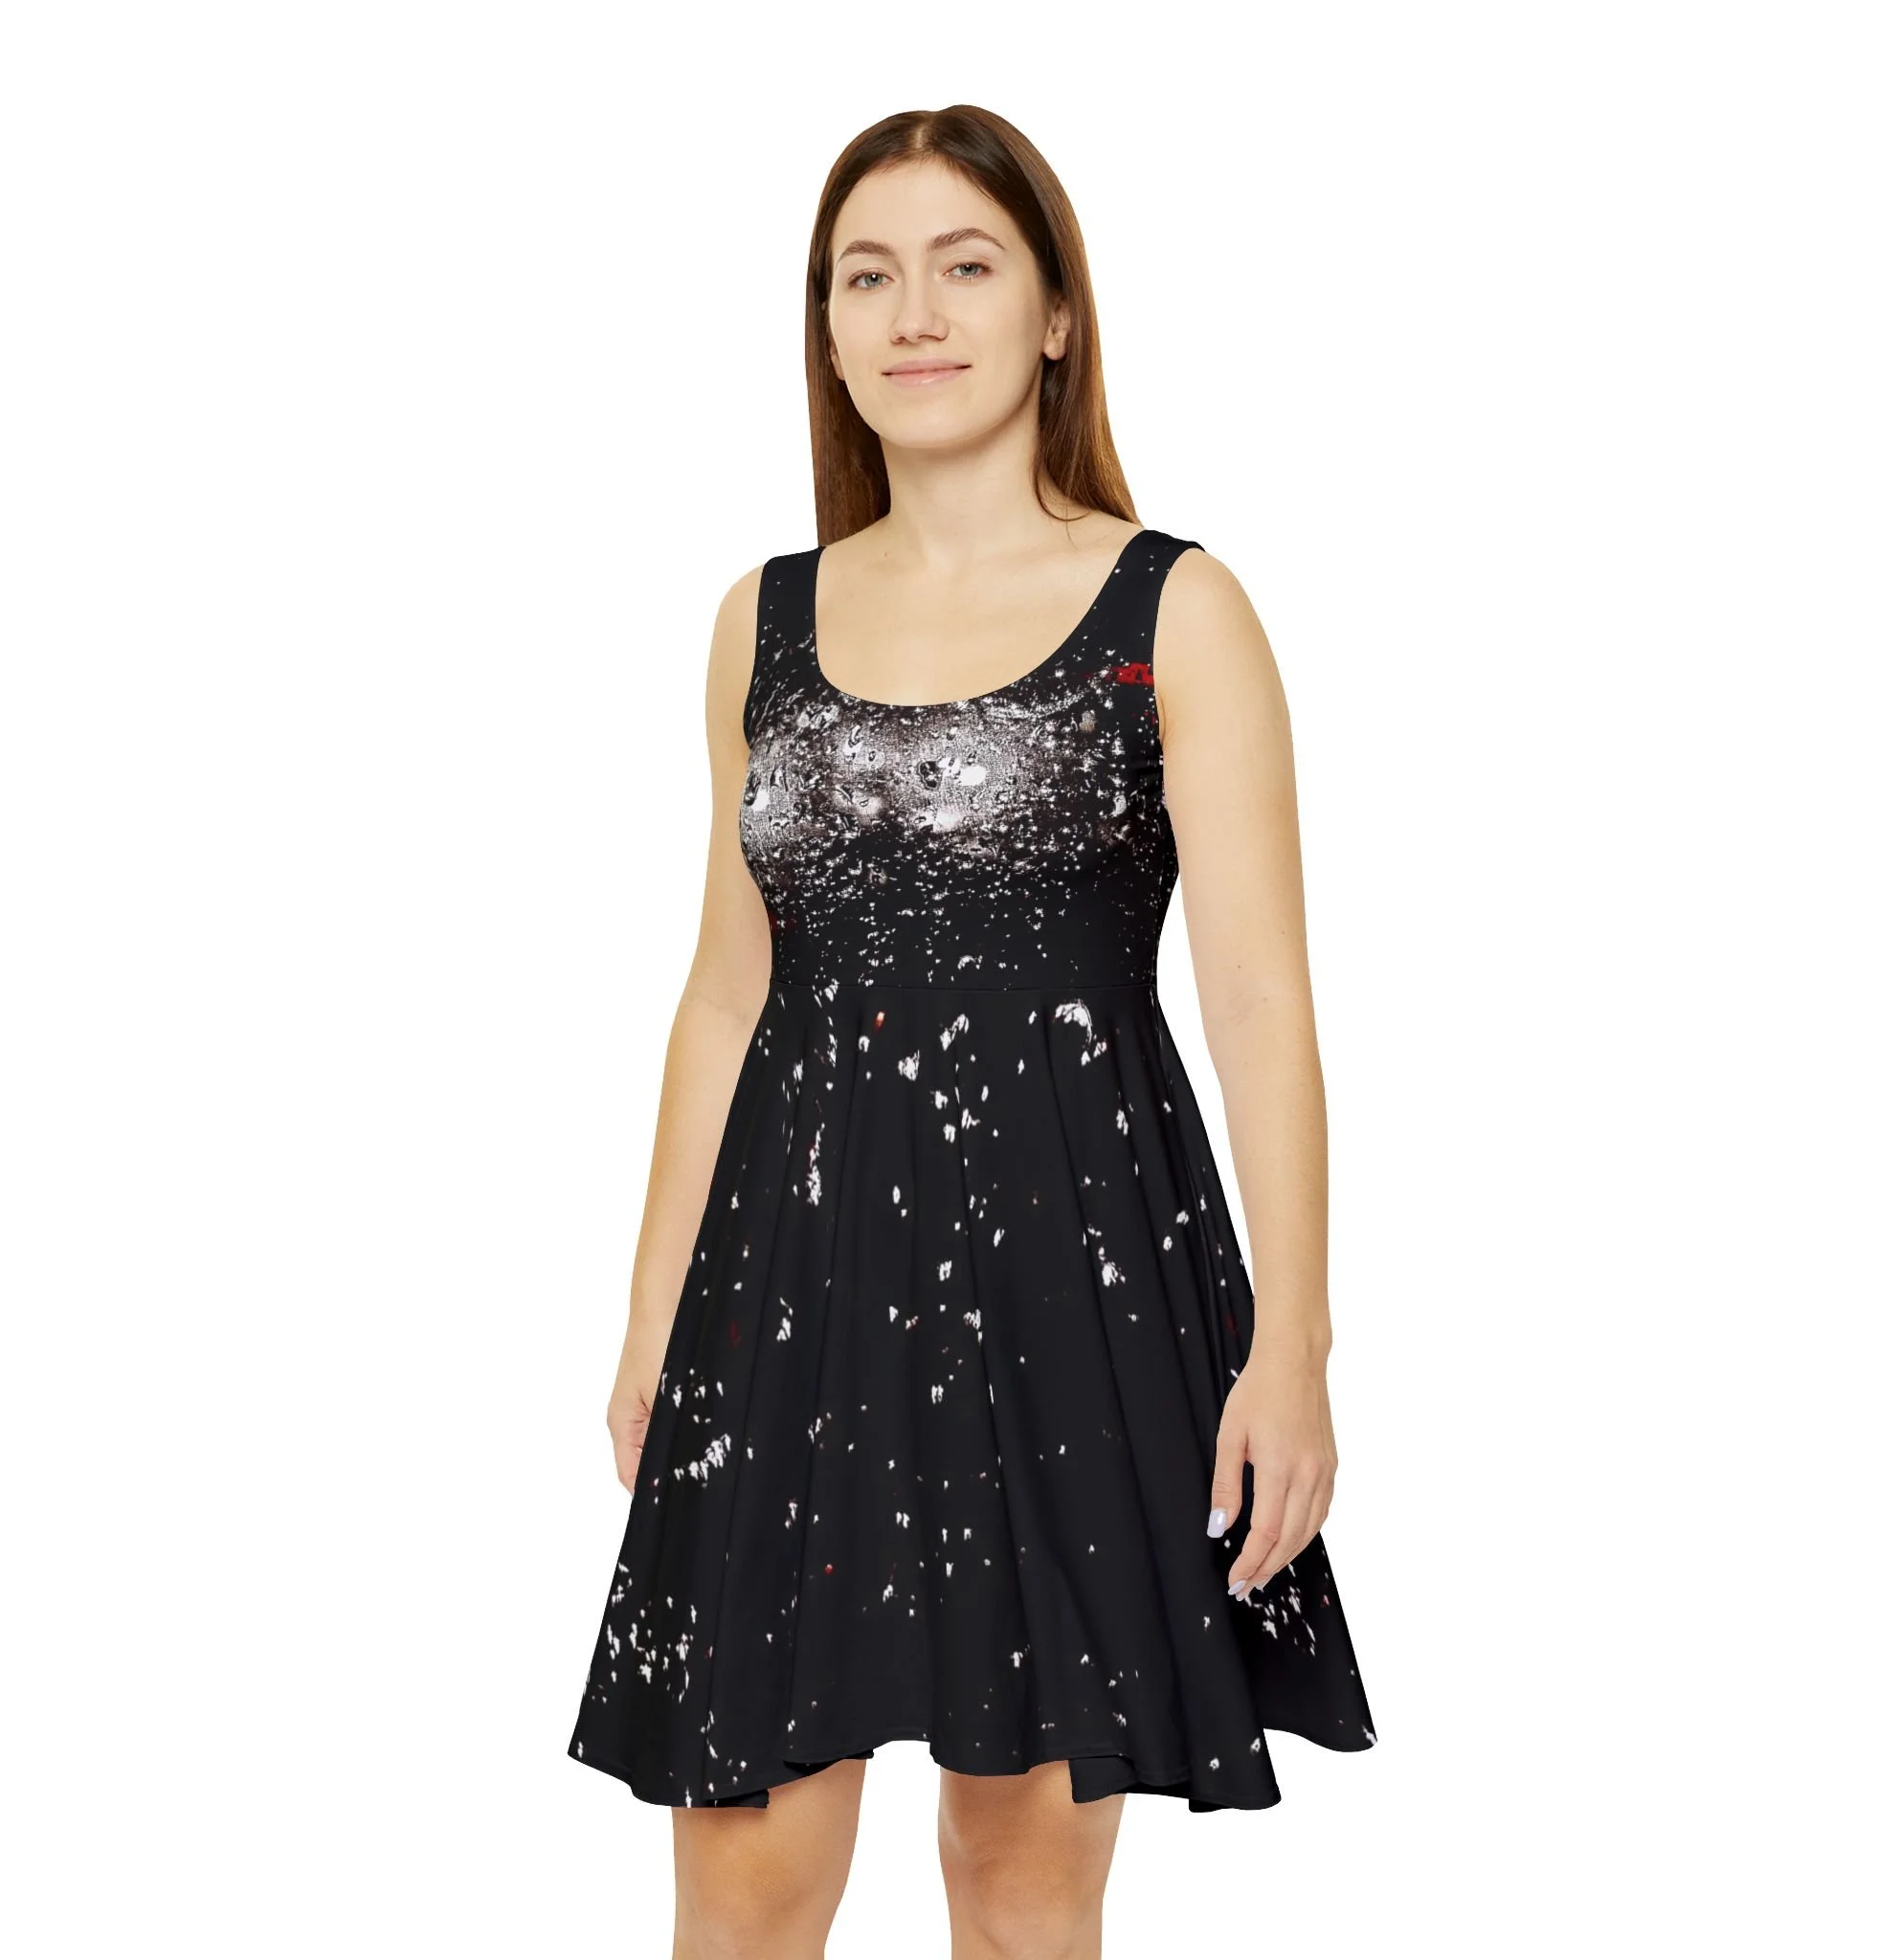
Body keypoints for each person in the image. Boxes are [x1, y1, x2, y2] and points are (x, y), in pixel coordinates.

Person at [568, 103, 1375, 1958]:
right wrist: (650, 1313)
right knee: (743, 1865)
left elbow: (1261, 1000)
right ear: (828, 329)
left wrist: (1296, 1346)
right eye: (867, 276)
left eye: (965, 265)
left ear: (1055, 313)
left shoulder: (1176, 608)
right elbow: (725, 986)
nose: (913, 313)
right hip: (789, 1288)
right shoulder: (760, 621)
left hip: (1068, 1280)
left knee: (1019, 1872)